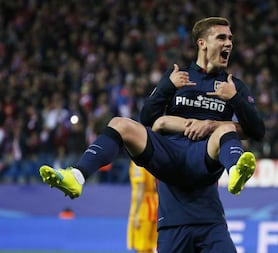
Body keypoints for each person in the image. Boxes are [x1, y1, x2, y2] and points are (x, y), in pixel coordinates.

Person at [39, 16, 265, 251]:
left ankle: (236, 170)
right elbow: (147, 119)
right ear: (202, 43)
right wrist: (168, 87)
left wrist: (231, 101)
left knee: (225, 128)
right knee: (120, 124)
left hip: (202, 156)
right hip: (169, 154)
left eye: (230, 38)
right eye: (222, 37)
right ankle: (77, 175)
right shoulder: (178, 77)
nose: (228, 43)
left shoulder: (232, 85)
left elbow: (257, 131)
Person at [127, 161, 158, 253]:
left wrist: (136, 214)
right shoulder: (151, 159)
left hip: (143, 208)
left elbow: (141, 188)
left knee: (142, 245)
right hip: (155, 204)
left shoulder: (137, 163)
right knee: (152, 245)